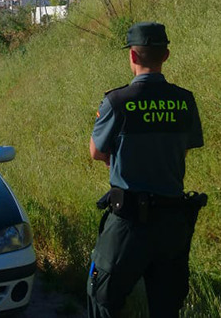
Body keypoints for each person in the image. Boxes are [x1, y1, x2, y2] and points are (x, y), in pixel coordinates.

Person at [87, 22, 205, 318]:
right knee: (167, 307)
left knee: (102, 298)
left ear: (133, 57)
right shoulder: (184, 101)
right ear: (166, 56)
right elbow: (184, 149)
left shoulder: (117, 101)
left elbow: (96, 151)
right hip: (173, 221)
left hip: (128, 222)